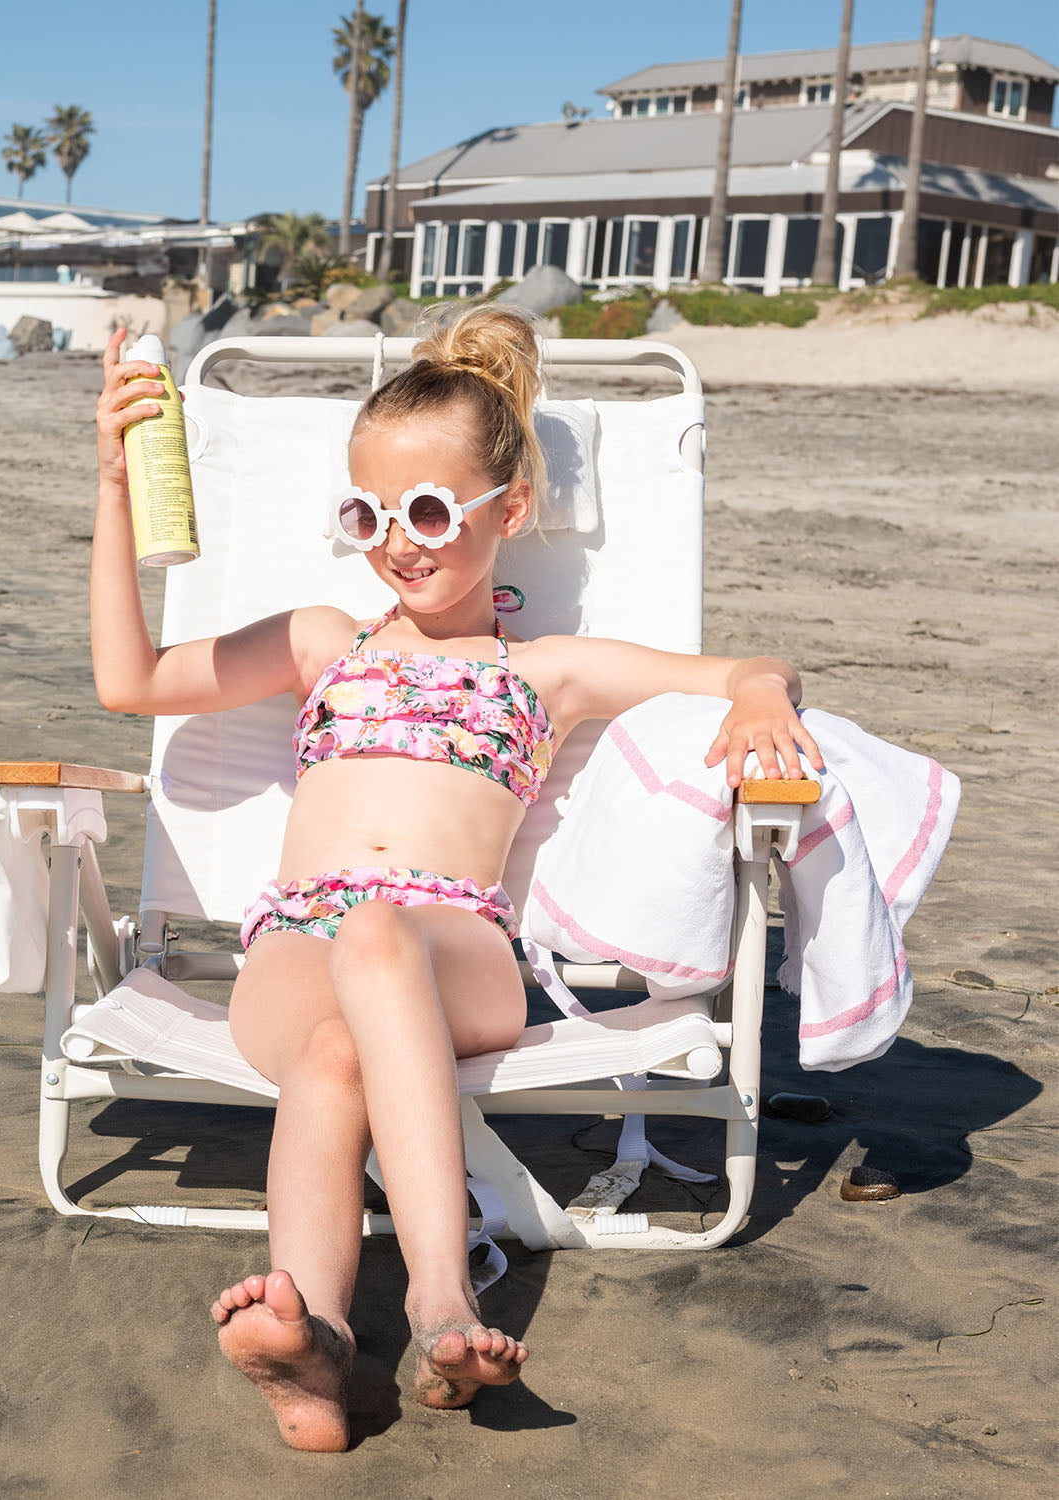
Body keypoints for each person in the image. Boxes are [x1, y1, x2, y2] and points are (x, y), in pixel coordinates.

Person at [91, 307, 824, 1452]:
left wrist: (762, 697)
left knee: (380, 931)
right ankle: (319, 1344)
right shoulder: (323, 644)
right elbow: (128, 681)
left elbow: (745, 663)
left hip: (458, 955)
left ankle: (440, 1299)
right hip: (292, 944)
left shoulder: (544, 673)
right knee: (332, 1048)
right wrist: (114, 487)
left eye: (428, 511)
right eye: (367, 514)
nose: (398, 540)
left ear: (508, 510)